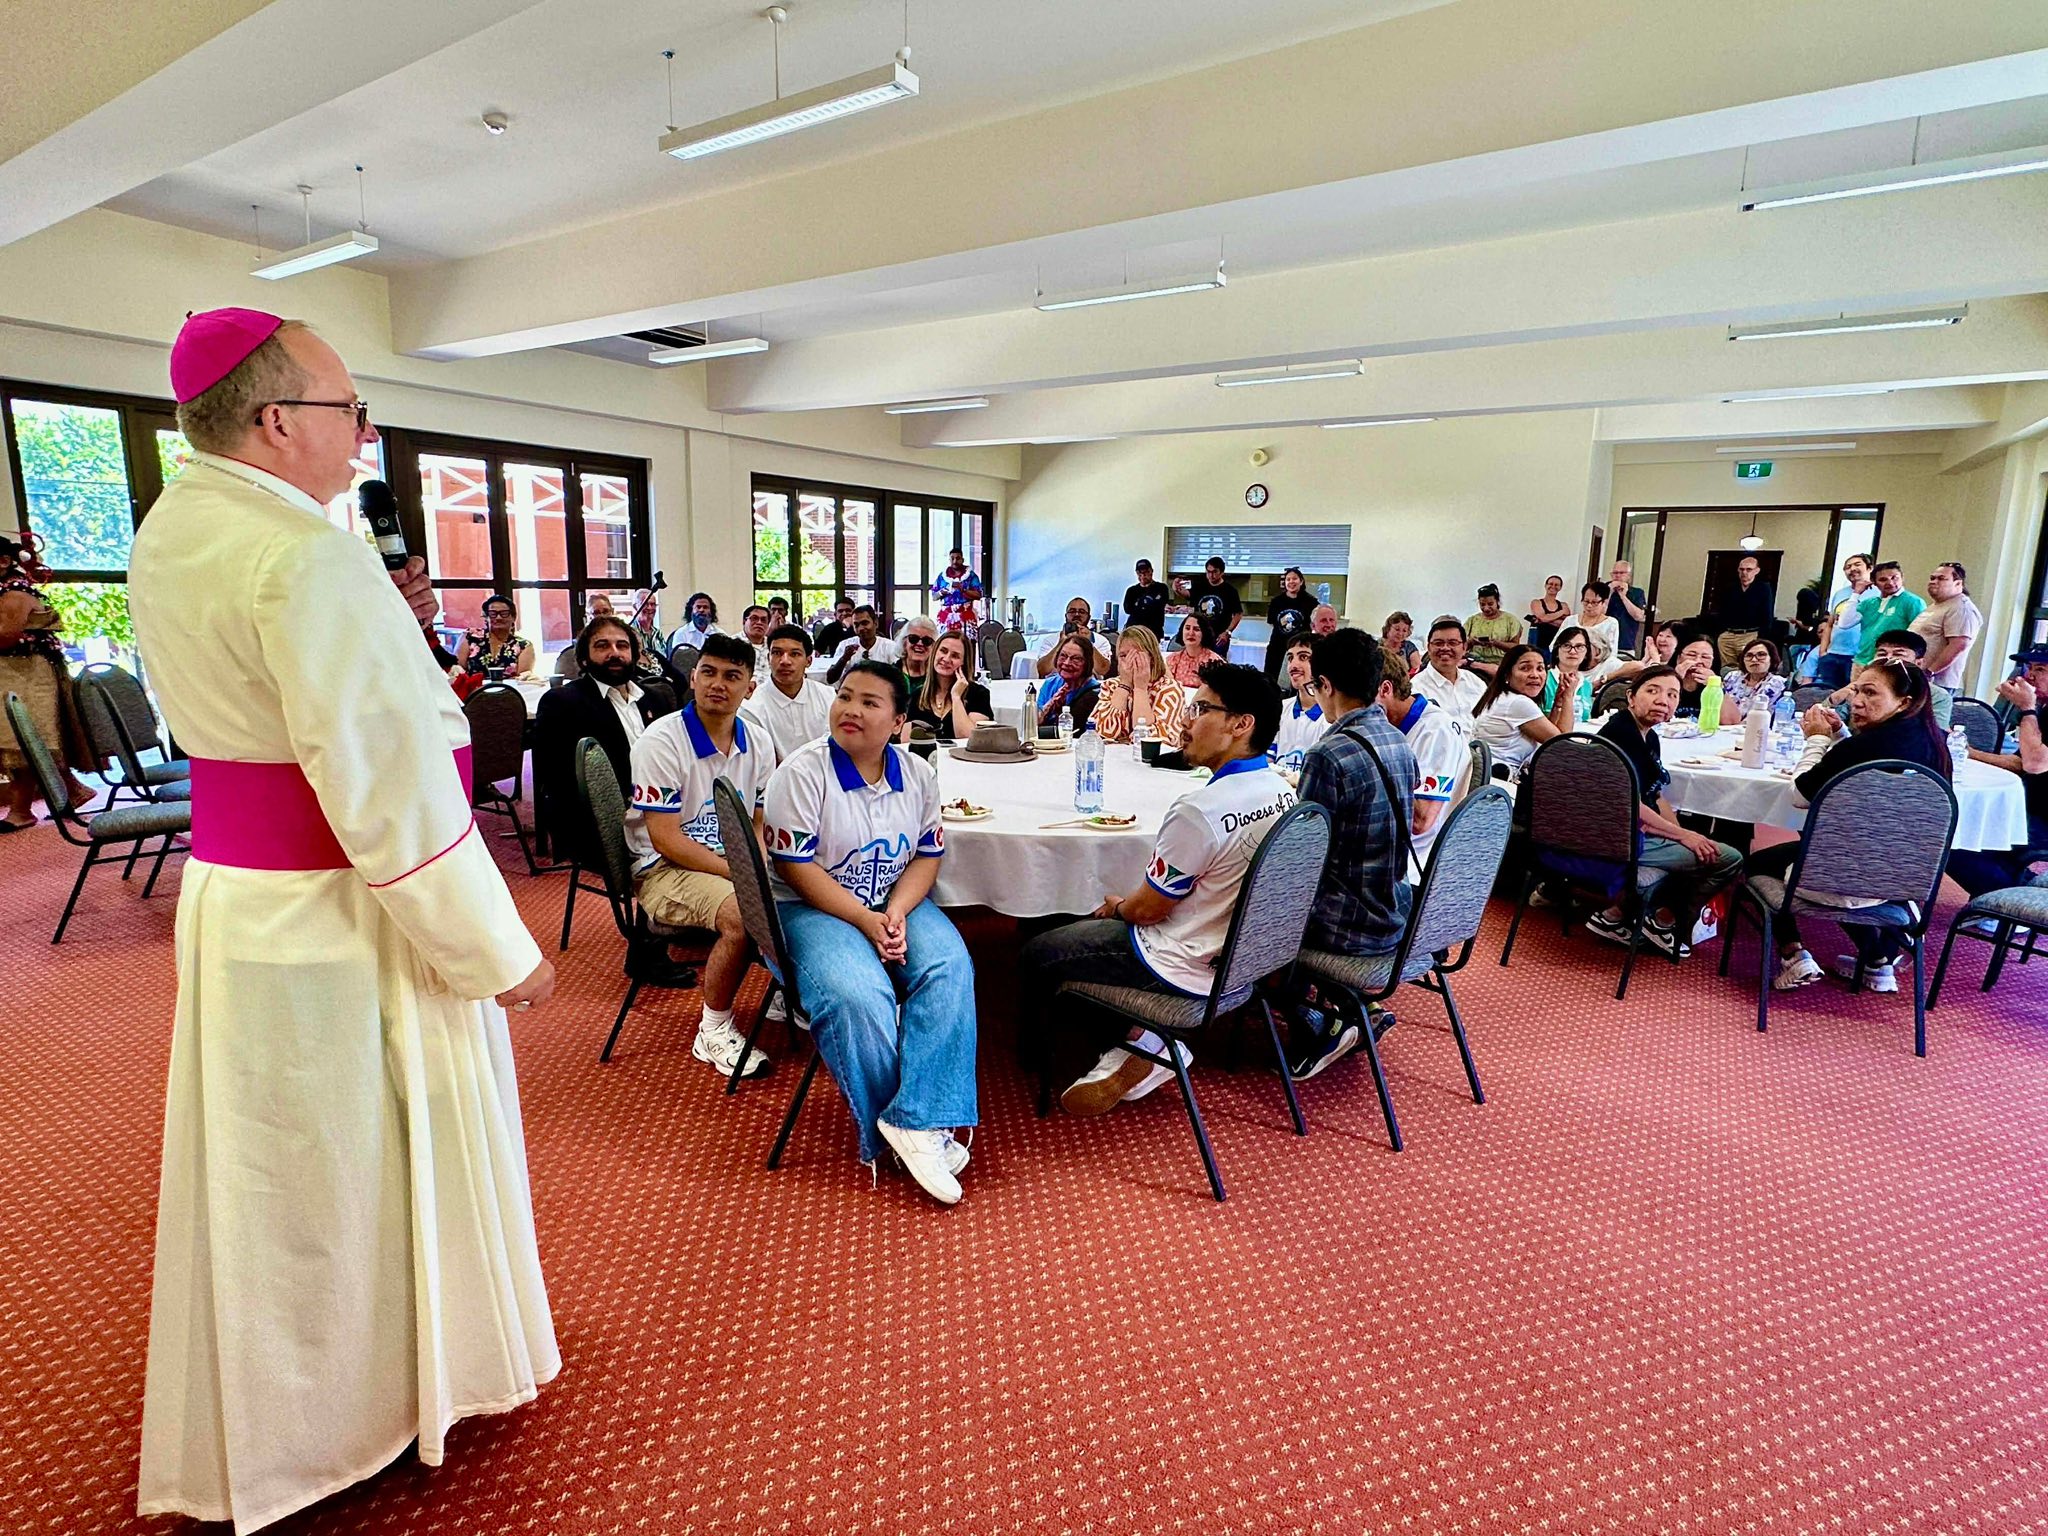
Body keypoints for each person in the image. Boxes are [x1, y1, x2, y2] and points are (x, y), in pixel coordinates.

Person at [127, 308, 556, 1528]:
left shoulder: (175, 524)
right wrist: (494, 951)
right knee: (350, 1158)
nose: (362, 434)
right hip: (340, 903)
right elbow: (385, 781)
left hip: (239, 895)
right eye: (347, 409)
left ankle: (286, 1404)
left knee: (280, 1164)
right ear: (275, 421)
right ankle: (344, 1414)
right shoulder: (305, 552)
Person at [1022, 661, 1294, 1113]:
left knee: (1036, 950)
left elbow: (1148, 911)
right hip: (1246, 961)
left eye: (1201, 709)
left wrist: (1116, 906)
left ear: (1242, 724)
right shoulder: (1284, 793)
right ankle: (1140, 1042)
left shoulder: (1200, 810)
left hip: (1178, 963)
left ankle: (1114, 1047)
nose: (1186, 722)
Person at [763, 661, 977, 1204]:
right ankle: (903, 1133)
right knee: (858, 993)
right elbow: (796, 868)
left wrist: (898, 912)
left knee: (949, 966)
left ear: (899, 719)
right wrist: (864, 919)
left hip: (891, 898)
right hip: (811, 906)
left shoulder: (919, 774)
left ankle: (915, 1119)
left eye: (870, 702)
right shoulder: (803, 772)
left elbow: (928, 856)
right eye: (844, 697)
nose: (850, 710)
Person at [1744, 658, 1953, 992]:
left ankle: (1793, 954)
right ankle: (1877, 962)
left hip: (1840, 877)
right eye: (1856, 690)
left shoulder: (1863, 747)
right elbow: (1860, 772)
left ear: (1904, 701)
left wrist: (1816, 739)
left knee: (1756, 863)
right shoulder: (1935, 746)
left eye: (1870, 693)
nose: (1856, 701)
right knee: (1857, 869)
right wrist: (1841, 734)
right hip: (1903, 879)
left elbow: (1799, 794)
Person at [626, 634, 777, 1079]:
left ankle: (789, 988)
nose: (718, 684)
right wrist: (743, 874)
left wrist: (760, 864)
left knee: (809, 881)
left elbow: (758, 821)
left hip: (729, 863)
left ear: (750, 687)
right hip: (663, 868)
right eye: (708, 672)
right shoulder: (662, 741)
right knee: (743, 913)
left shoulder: (760, 742)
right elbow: (666, 839)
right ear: (692, 677)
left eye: (733, 676)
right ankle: (713, 1028)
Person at [1285, 630, 1418, 1077]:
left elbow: (1302, 861)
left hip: (1346, 924)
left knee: (1243, 914)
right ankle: (1353, 1006)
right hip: (1392, 910)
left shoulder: (1328, 754)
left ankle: (1323, 1022)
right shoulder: (1399, 740)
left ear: (1324, 684)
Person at [1592, 666, 1744, 958]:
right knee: (1728, 859)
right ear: (1631, 697)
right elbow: (1630, 805)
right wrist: (1682, 835)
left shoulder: (1647, 736)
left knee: (1697, 844)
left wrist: (1684, 835)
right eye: (1653, 691)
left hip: (1634, 829)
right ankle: (1664, 921)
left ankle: (1615, 915)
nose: (1664, 699)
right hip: (1619, 839)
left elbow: (1654, 794)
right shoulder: (1619, 735)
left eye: (1672, 694)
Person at [531, 615, 679, 866]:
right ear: (584, 658)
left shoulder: (656, 699)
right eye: (602, 646)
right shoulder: (562, 703)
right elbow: (557, 780)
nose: (614, 653)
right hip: (605, 823)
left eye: (622, 646)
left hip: (665, 811)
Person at [0, 530, 96, 829]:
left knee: (25, 738)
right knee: (25, 738)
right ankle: (70, 793)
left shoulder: (14, 594)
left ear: (4, 561)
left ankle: (21, 810)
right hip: (18, 673)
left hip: (27, 674)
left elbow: (5, 637)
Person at [1947, 645, 2048, 900]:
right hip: (2028, 806)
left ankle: (2007, 900)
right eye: (2030, 668)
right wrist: (1968, 752)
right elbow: (2017, 762)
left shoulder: (2033, 710)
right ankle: (2024, 891)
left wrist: (2026, 709)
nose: (2029, 676)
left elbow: (2035, 763)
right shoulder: (2044, 710)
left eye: (2041, 669)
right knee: (1958, 823)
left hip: (2045, 819)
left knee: (1953, 838)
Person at [1376, 644, 1467, 866]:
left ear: (1384, 690)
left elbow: (1420, 821)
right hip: (1380, 845)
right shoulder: (1388, 724)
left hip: (1411, 860)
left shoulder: (1436, 731)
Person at [1472, 642, 1580, 777]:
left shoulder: (1503, 696)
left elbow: (1547, 737)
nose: (1534, 675)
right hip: (1498, 783)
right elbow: (1561, 744)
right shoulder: (1517, 703)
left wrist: (1558, 704)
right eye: (1525, 668)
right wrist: (1569, 696)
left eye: (1540, 668)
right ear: (1507, 674)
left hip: (1489, 775)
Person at [740, 623, 836, 763]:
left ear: (808, 661)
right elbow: (759, 763)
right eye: (777, 653)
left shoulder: (828, 697)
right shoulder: (751, 707)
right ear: (768, 659)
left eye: (795, 654)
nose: (785, 661)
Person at [1827, 630, 1954, 731]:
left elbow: (1935, 736)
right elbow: (1827, 723)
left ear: (1918, 663)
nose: (1888, 660)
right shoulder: (1861, 687)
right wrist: (1833, 700)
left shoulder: (1937, 696)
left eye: (1898, 655)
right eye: (1882, 654)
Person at [1090, 623, 1187, 748]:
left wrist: (1140, 688)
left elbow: (1152, 741)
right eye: (1123, 656)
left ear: (1151, 657)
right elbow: (1102, 733)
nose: (1129, 662)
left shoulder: (1170, 689)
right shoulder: (1111, 686)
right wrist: (1125, 685)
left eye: (1136, 655)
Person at [904, 630, 993, 743]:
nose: (946, 659)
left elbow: (968, 739)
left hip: (963, 759)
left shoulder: (978, 694)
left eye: (955, 656)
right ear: (934, 653)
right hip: (926, 759)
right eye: (943, 651)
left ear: (963, 663)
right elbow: (906, 743)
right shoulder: (918, 695)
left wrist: (956, 697)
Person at [1910, 561, 1983, 692]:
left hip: (1936, 683)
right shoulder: (1937, 605)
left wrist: (1930, 672)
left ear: (1958, 583)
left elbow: (1959, 644)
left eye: (1941, 578)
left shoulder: (1961, 607)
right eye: (1932, 578)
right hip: (1917, 677)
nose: (1933, 581)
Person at [1267, 636, 1329, 777]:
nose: (1293, 666)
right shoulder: (1279, 708)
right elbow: (1267, 759)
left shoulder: (1332, 717)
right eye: (1290, 658)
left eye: (1303, 657)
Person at [1813, 553, 1874, 689]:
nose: (1852, 569)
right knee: (1828, 696)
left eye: (1857, 565)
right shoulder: (1839, 593)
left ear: (1870, 568)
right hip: (1833, 655)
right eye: (1848, 567)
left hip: (1859, 656)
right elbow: (1829, 624)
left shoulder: (1878, 593)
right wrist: (1823, 652)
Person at [1852, 561, 1925, 667]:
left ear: (1902, 577)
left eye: (1894, 577)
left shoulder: (1913, 601)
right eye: (1883, 579)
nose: (1890, 583)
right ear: (1874, 582)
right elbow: (1844, 623)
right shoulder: (1869, 603)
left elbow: (1917, 636)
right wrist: (1856, 593)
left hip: (1889, 663)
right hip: (1862, 660)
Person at [1412, 616, 1487, 716]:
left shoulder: (1476, 683)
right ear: (1429, 647)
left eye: (1453, 643)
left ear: (1464, 647)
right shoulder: (1416, 689)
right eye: (1438, 643)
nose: (1445, 648)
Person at [1714, 555, 1777, 670]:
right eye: (1742, 569)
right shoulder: (1731, 587)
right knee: (1727, 668)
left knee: (1748, 666)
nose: (1744, 573)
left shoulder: (1763, 588)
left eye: (1749, 569)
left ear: (1756, 571)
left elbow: (1767, 614)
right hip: (1728, 634)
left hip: (1750, 634)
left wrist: (1761, 637)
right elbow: (1722, 610)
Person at [1035, 634, 1102, 734]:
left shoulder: (1096, 694)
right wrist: (1049, 707)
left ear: (1087, 663)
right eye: (1063, 656)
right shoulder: (1050, 684)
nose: (1066, 663)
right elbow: (1034, 724)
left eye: (1076, 659)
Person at [1034, 596, 1111, 678]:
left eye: (1081, 612)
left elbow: (1103, 670)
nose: (1077, 614)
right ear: (1066, 616)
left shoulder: (1101, 641)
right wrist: (1061, 643)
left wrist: (1088, 643)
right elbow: (1042, 670)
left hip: (1088, 687)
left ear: (1088, 617)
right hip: (1056, 685)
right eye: (1072, 611)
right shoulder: (1050, 640)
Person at [1263, 566, 1318, 680]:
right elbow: (1272, 623)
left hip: (1300, 644)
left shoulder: (1311, 601)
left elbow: (1314, 623)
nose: (1291, 582)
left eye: (1294, 579)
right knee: (1270, 676)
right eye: (1288, 579)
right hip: (1277, 644)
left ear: (1301, 581)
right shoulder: (1276, 601)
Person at [1671, 634, 1740, 724]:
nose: (1698, 661)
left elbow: (1731, 721)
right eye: (1691, 655)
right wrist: (1674, 680)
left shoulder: (1716, 682)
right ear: (1679, 658)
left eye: (1705, 657)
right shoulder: (1664, 677)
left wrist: (1717, 686)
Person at [824, 604, 903, 683]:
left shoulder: (889, 646)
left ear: (876, 623)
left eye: (865, 623)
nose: (861, 628)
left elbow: (899, 678)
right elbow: (831, 679)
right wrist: (844, 658)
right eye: (856, 625)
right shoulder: (844, 646)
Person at [460, 593, 533, 677]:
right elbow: (458, 671)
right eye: (493, 614)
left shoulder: (524, 646)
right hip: (474, 689)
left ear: (513, 617)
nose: (498, 618)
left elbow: (524, 679)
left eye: (504, 613)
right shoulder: (470, 637)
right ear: (486, 617)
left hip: (509, 689)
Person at [1189, 556, 1243, 662]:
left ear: (1222, 572)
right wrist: (1176, 588)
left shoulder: (1230, 591)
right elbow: (1187, 595)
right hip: (1200, 635)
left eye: (1214, 572)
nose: (1211, 575)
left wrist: (1227, 632)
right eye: (1208, 572)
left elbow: (1238, 614)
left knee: (1217, 667)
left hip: (1219, 637)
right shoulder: (1200, 587)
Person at [1722, 636, 1788, 718]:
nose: (1754, 660)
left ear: (1772, 659)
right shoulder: (1732, 677)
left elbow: (1765, 716)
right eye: (1749, 655)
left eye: (1761, 655)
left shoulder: (1777, 683)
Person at [1465, 583, 1523, 674]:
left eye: (1490, 604)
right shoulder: (1472, 620)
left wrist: (1497, 644)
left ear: (1497, 602)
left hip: (1500, 664)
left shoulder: (1510, 620)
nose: (1486, 608)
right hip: (1474, 662)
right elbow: (1460, 646)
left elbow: (1516, 648)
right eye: (1482, 604)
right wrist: (1472, 642)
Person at [1543, 626, 1596, 718]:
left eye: (1579, 646)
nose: (1572, 651)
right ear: (1556, 651)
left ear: (1587, 653)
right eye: (1566, 646)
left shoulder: (1587, 685)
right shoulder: (1544, 679)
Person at [930, 546, 983, 633]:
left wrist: (964, 590)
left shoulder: (971, 575)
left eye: (958, 558)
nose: (955, 561)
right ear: (949, 560)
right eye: (952, 558)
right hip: (945, 617)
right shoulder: (942, 577)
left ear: (962, 560)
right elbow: (934, 597)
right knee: (945, 644)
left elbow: (979, 595)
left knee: (968, 644)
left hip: (966, 617)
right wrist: (941, 592)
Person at [1574, 581, 1622, 668]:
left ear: (1604, 602)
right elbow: (1554, 645)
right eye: (1586, 601)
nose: (1589, 606)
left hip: (1597, 668)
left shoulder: (1611, 623)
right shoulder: (1570, 620)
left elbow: (1611, 653)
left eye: (1594, 602)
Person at [1606, 560, 1649, 654]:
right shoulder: (1604, 589)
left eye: (1621, 573)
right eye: (1615, 573)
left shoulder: (1637, 593)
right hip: (1604, 643)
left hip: (1626, 643)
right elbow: (1597, 612)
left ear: (1629, 576)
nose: (1617, 576)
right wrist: (1609, 592)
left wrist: (1623, 596)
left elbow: (1639, 616)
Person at [1169, 612, 1222, 687]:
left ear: (1204, 633)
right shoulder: (1172, 660)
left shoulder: (1214, 662)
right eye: (1187, 628)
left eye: (1196, 629)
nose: (1191, 633)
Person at [1122, 557, 1169, 637]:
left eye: (1146, 572)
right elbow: (1128, 609)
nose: (1143, 576)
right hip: (1135, 631)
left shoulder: (1161, 588)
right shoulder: (1131, 591)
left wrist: (1140, 605)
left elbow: (1159, 605)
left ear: (1151, 571)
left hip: (1154, 631)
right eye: (1140, 573)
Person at [1527, 575, 1570, 651]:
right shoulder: (1536, 602)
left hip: (1556, 643)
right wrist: (1562, 612)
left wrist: (1543, 619)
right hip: (1538, 640)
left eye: (1556, 585)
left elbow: (1566, 623)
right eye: (1550, 584)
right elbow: (1543, 618)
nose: (1553, 586)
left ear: (1560, 588)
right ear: (1545, 585)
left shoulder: (1564, 605)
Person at [898, 613, 939, 685]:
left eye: (927, 641)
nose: (920, 644)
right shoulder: (890, 674)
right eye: (913, 638)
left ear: (934, 646)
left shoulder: (938, 677)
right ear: (904, 643)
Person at [739, 603, 773, 674]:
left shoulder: (772, 645)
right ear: (744, 621)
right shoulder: (732, 644)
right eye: (754, 618)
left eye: (764, 620)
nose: (759, 623)